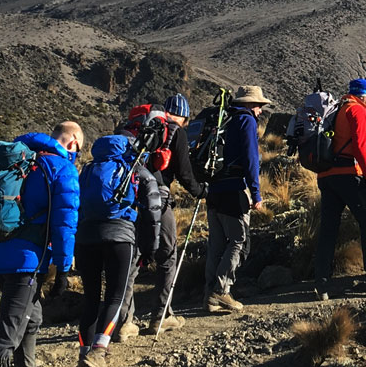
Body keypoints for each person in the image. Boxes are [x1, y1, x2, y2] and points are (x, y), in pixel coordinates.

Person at [0, 122, 82, 367]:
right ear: (73, 142)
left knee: (31, 319)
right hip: (26, 262)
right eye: (79, 150)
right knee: (5, 340)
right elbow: (64, 223)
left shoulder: (8, 162)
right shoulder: (62, 168)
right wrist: (63, 268)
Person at [116, 95, 206, 334]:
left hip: (129, 197)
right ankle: (161, 315)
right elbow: (185, 174)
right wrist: (200, 191)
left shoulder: (133, 128)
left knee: (132, 258)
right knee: (167, 255)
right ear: (184, 117)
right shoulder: (176, 132)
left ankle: (125, 322)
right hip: (158, 198)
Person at [75, 130, 150, 366]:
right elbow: (152, 205)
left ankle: (83, 353)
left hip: (86, 236)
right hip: (120, 235)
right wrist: (149, 244)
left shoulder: (87, 169)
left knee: (90, 297)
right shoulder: (132, 167)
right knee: (115, 296)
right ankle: (98, 351)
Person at [314, 78, 366, 297]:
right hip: (348, 174)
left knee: (328, 230)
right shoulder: (357, 110)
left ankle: (322, 284)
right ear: (363, 95)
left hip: (326, 175)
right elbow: (360, 146)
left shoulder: (335, 109)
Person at [204, 86, 269, 313]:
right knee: (239, 241)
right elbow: (251, 159)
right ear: (251, 104)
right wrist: (256, 193)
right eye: (259, 105)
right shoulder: (246, 121)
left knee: (217, 244)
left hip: (213, 189)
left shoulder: (223, 120)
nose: (260, 110)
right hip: (233, 188)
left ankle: (208, 293)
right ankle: (221, 291)